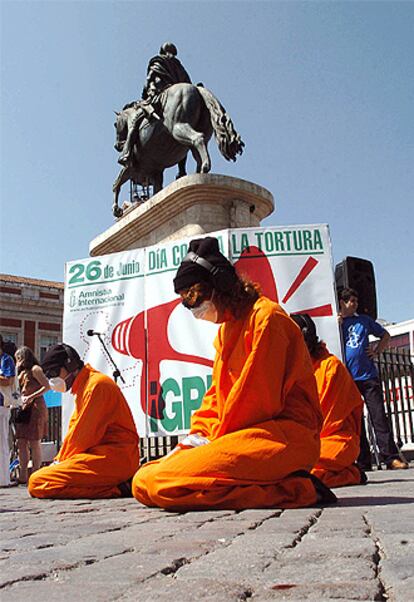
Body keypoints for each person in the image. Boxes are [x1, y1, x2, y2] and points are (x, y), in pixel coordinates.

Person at [132, 237, 336, 511]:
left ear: (221, 285)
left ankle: (298, 490)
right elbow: (214, 399)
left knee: (163, 483)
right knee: (141, 481)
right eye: (185, 301)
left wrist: (210, 444)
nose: (192, 307)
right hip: (238, 435)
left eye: (193, 296)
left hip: (283, 437)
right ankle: (268, 483)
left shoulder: (267, 319)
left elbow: (256, 403)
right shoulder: (226, 331)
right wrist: (196, 437)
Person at [28, 344, 140, 499]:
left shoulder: (96, 385)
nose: (52, 380)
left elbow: (82, 437)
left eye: (53, 373)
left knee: (37, 481)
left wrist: (60, 462)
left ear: (70, 365)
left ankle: (119, 489)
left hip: (115, 458)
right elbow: (76, 435)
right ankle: (118, 487)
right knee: (42, 479)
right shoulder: (85, 387)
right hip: (100, 456)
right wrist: (60, 462)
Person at [291, 314, 365, 487]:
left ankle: (352, 474)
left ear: (307, 341)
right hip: (299, 442)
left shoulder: (331, 368)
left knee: (305, 471)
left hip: (334, 440)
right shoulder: (287, 370)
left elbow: (328, 421)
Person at [339, 288, 408, 470]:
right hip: (348, 377)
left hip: (368, 375)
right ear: (341, 302)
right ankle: (363, 460)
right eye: (350, 301)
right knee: (356, 420)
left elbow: (385, 334)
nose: (354, 304)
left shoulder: (364, 321)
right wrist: (335, 323)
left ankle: (390, 457)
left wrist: (377, 351)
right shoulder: (336, 322)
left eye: (355, 300)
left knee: (378, 416)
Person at [118, 42, 192, 166]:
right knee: (184, 127)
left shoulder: (158, 61)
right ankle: (182, 169)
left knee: (135, 121)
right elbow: (187, 83)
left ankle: (126, 153)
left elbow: (149, 80)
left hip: (159, 95)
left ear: (162, 51)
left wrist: (145, 94)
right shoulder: (179, 66)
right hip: (178, 99)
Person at [14, 346, 49, 484]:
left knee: (34, 441)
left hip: (35, 407)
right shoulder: (22, 372)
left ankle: (35, 472)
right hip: (23, 407)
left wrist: (32, 396)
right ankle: (23, 474)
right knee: (21, 441)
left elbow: (46, 386)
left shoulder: (35, 369)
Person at [0, 334, 17, 487]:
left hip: (2, 404)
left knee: (2, 442)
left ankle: (3, 478)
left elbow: (8, 380)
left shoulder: (6, 359)